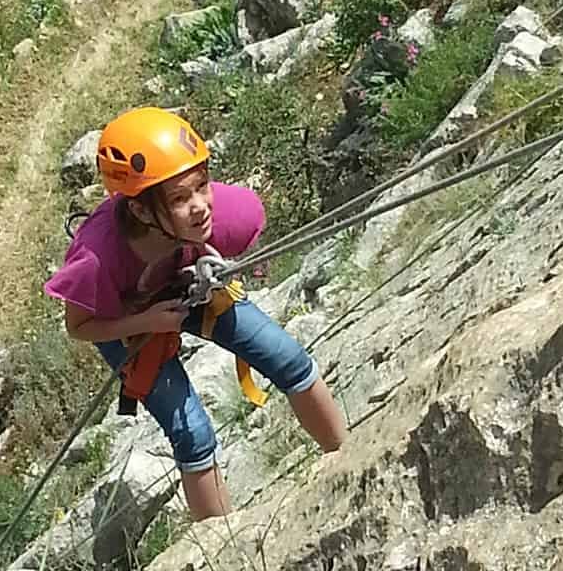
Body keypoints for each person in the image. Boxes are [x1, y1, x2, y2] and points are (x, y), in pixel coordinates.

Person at [43, 106, 347, 521]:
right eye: (180, 198)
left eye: (201, 186)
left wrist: (206, 260)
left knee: (287, 358)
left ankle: (347, 455)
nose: (201, 205)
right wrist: (148, 322)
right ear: (140, 210)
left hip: (190, 285)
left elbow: (227, 224)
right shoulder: (98, 259)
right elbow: (79, 327)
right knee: (193, 433)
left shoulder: (213, 214)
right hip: (126, 324)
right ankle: (222, 549)